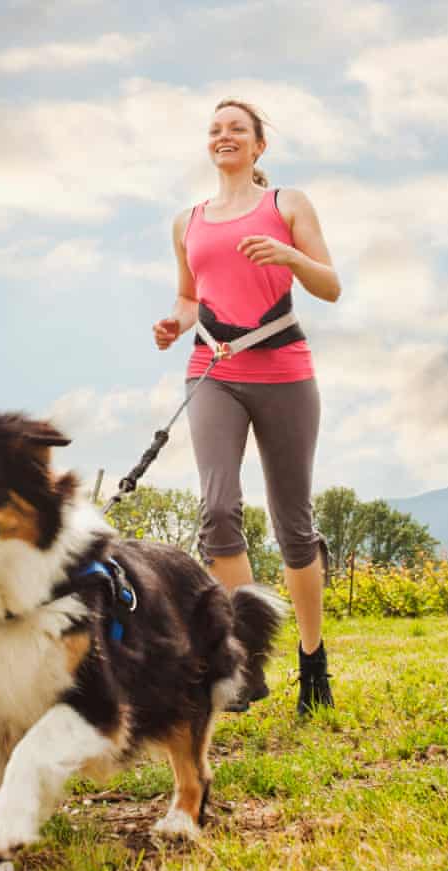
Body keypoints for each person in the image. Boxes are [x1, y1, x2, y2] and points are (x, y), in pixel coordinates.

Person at [152, 98, 341, 716]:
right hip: (212, 369)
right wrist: (175, 323)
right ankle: (246, 659)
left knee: (294, 523)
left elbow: (330, 285)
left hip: (283, 368)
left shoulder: (287, 204)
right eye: (215, 129)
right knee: (217, 509)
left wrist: (289, 256)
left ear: (259, 146)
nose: (224, 136)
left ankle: (313, 660)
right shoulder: (187, 221)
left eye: (237, 129)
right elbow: (189, 296)